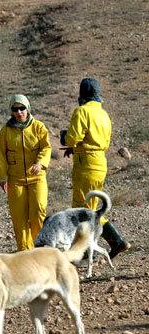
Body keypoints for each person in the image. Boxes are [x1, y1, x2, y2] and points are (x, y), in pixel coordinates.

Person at [62, 77, 130, 258]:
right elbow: (105, 141)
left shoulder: (81, 112)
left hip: (86, 164)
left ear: (82, 94)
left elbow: (73, 138)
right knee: (92, 208)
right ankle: (114, 241)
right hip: (100, 163)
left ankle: (87, 250)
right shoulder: (104, 115)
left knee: (82, 208)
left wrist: (67, 140)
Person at [0, 94, 51, 251]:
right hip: (16, 179)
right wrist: (1, 177)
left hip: (37, 177)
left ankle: (38, 248)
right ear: (11, 111)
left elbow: (46, 147)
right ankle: (24, 251)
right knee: (19, 218)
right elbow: (1, 154)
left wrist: (40, 163)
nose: (19, 112)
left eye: (22, 108)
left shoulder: (39, 127)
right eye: (15, 109)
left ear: (28, 109)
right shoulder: (6, 131)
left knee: (38, 211)